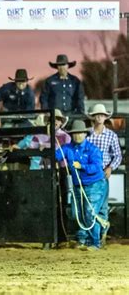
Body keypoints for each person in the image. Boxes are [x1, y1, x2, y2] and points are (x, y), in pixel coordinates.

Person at [55, 120, 107, 251]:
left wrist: (82, 166)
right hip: (79, 185)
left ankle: (94, 242)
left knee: (89, 212)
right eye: (75, 133)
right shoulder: (67, 148)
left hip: (95, 184)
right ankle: (85, 237)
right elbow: (56, 155)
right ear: (72, 135)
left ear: (85, 134)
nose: (77, 136)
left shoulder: (93, 149)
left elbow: (97, 167)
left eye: (80, 133)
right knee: (77, 212)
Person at [86, 104, 122, 246]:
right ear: (94, 117)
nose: (100, 117)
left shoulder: (111, 135)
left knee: (101, 206)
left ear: (105, 117)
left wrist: (110, 168)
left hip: (102, 174)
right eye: (97, 115)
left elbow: (117, 155)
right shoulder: (87, 134)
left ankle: (100, 236)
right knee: (90, 206)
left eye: (102, 115)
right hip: (88, 173)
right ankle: (93, 237)